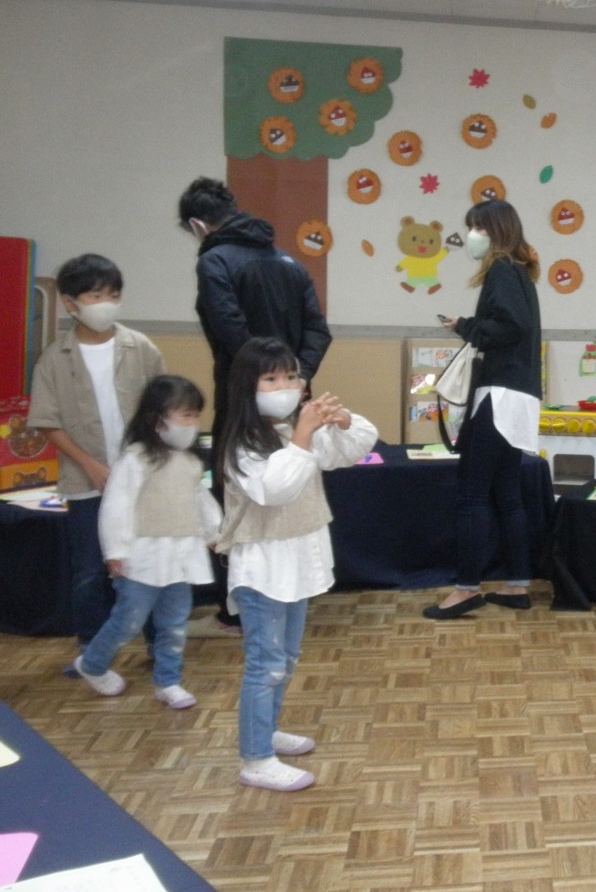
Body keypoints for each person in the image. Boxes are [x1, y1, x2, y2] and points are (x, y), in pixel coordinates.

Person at [215, 337, 375, 791]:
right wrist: (304, 435)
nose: (285, 386)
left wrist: (343, 421)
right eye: (271, 378)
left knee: (285, 658)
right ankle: (255, 758)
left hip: (296, 566)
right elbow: (275, 489)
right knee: (264, 664)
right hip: (263, 570)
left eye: (290, 377)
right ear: (247, 386)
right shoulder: (241, 442)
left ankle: (266, 730)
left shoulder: (293, 431)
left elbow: (350, 449)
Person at [178, 177, 332, 634]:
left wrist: (260, 380)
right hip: (292, 400)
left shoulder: (214, 260)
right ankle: (290, 591)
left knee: (241, 495)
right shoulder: (288, 261)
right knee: (292, 482)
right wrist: (293, 378)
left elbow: (228, 325)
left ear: (198, 225)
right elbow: (318, 330)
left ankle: (238, 610)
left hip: (242, 399)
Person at [27, 254, 164, 649]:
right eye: (96, 295)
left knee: (150, 564)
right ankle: (92, 647)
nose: (106, 303)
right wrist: (89, 465)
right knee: (89, 567)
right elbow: (47, 421)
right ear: (70, 303)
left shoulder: (141, 348)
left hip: (141, 479)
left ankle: (159, 645)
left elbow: (163, 408)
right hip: (85, 481)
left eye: (114, 295)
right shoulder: (54, 359)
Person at [425, 199, 543, 619]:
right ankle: (517, 584)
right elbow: (518, 325)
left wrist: (466, 326)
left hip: (499, 394)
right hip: (520, 396)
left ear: (495, 231)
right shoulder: (521, 271)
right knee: (507, 492)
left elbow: (511, 326)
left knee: (473, 493)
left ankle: (466, 589)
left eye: (478, 228)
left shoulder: (502, 270)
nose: (472, 236)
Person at [74, 375, 220, 708]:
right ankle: (92, 664)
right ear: (157, 419)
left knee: (175, 624)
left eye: (196, 416)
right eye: (185, 416)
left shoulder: (191, 461)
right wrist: (115, 551)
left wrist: (213, 532)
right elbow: (117, 506)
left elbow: (200, 499)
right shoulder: (135, 459)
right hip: (141, 559)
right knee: (128, 620)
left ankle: (168, 681)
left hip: (180, 559)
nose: (192, 424)